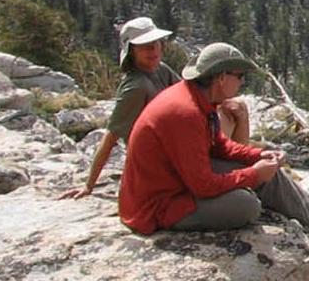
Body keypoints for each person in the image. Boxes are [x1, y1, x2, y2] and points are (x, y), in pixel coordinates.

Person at [118, 41, 309, 262]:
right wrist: (253, 176)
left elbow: (218, 145)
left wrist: (257, 157)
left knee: (268, 172)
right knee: (246, 205)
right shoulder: (184, 113)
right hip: (156, 204)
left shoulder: (198, 98)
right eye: (239, 76)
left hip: (176, 181)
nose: (242, 83)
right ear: (221, 78)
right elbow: (202, 186)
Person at [61, 16, 249, 199]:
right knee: (228, 115)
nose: (153, 50)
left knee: (235, 108)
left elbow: (194, 94)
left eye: (156, 43)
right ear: (131, 51)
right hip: (164, 154)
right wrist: (89, 185)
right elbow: (111, 136)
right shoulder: (135, 87)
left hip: (179, 139)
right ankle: (234, 175)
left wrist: (222, 101)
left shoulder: (161, 70)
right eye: (145, 46)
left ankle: (239, 171)